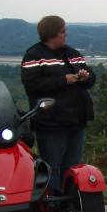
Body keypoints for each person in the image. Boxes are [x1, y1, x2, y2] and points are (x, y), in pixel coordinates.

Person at [21, 16, 95, 200]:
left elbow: (91, 77)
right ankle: (52, 203)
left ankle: (71, 202)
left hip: (76, 119)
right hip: (51, 122)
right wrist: (64, 80)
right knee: (52, 166)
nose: (66, 34)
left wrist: (86, 76)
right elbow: (32, 86)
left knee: (72, 165)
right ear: (51, 33)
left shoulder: (72, 53)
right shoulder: (34, 55)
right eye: (63, 31)